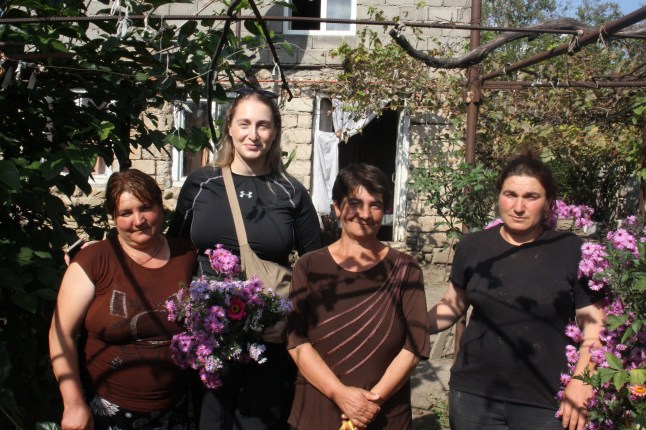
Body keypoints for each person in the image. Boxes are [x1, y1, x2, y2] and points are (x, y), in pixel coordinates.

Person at [167, 87, 322, 430]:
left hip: (267, 340)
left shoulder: (290, 191)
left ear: (275, 131)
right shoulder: (201, 184)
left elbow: (317, 269)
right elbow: (172, 252)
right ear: (230, 127)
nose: (253, 135)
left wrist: (290, 324)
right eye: (245, 123)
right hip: (210, 342)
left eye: (263, 125)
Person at [428, 152, 606, 430]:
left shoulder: (570, 250)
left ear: (548, 202)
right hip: (474, 396)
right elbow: (452, 305)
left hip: (544, 401)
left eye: (531, 197)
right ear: (499, 196)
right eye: (510, 194)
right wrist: (408, 323)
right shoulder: (473, 246)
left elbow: (594, 327)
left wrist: (582, 381)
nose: (518, 207)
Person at [49, 169, 198, 430]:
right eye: (126, 213)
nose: (138, 220)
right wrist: (73, 404)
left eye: (146, 208)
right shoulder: (95, 260)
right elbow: (60, 334)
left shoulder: (186, 255)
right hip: (107, 410)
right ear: (114, 218)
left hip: (174, 411)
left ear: (161, 208)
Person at [286, 163, 430, 430]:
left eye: (375, 205)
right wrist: (339, 393)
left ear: (385, 210)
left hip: (384, 414)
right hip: (318, 413)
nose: (364, 214)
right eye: (354, 203)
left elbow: (414, 346)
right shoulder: (309, 267)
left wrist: (370, 403)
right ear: (337, 207)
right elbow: (297, 342)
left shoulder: (405, 269)